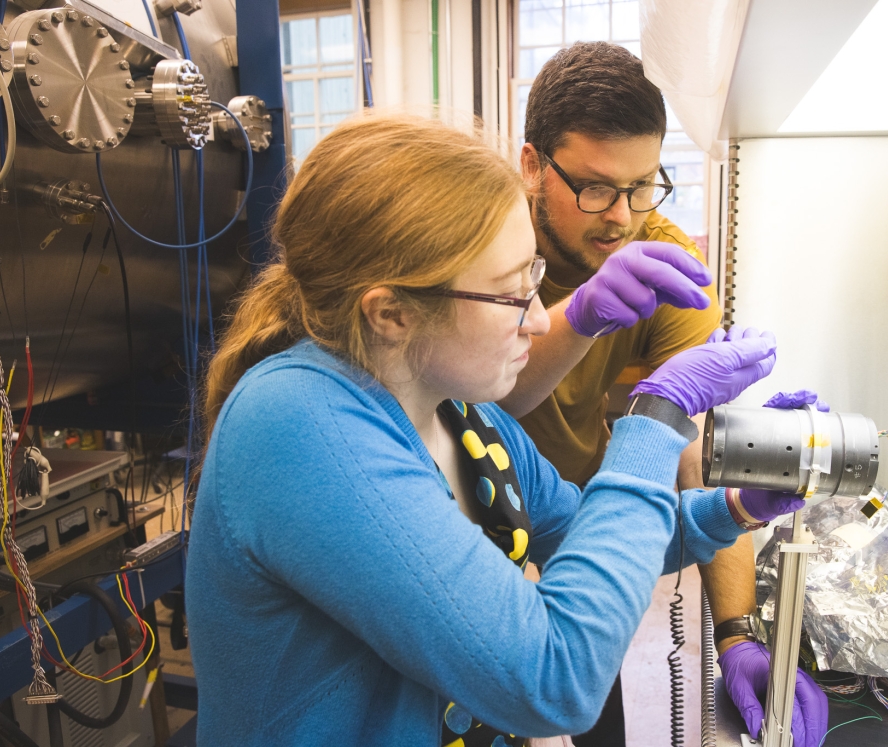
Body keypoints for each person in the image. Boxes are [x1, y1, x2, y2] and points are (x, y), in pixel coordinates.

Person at [183, 113, 806, 746]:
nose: (540, 321)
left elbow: (581, 534)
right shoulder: (297, 426)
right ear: (391, 313)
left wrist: (728, 509)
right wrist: (658, 416)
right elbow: (551, 681)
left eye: (535, 275)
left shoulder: (459, 414)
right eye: (513, 294)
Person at [500, 42, 828, 746]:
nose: (621, 216)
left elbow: (693, 457)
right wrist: (582, 314)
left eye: (644, 185)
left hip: (574, 518)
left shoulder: (663, 262)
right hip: (472, 522)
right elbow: (492, 388)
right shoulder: (483, 243)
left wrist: (738, 630)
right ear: (532, 165)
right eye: (594, 187)